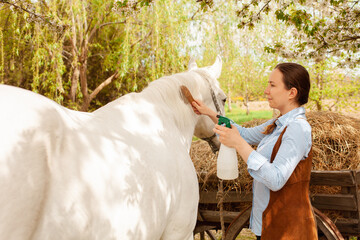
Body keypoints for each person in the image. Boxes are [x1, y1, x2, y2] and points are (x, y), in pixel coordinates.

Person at [192, 63, 318, 240]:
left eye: (272, 85)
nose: (266, 90)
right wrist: (208, 113)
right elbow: (243, 133)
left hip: (286, 231)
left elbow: (275, 179)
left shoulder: (297, 129)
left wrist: (240, 146)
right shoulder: (277, 124)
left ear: (292, 93)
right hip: (268, 226)